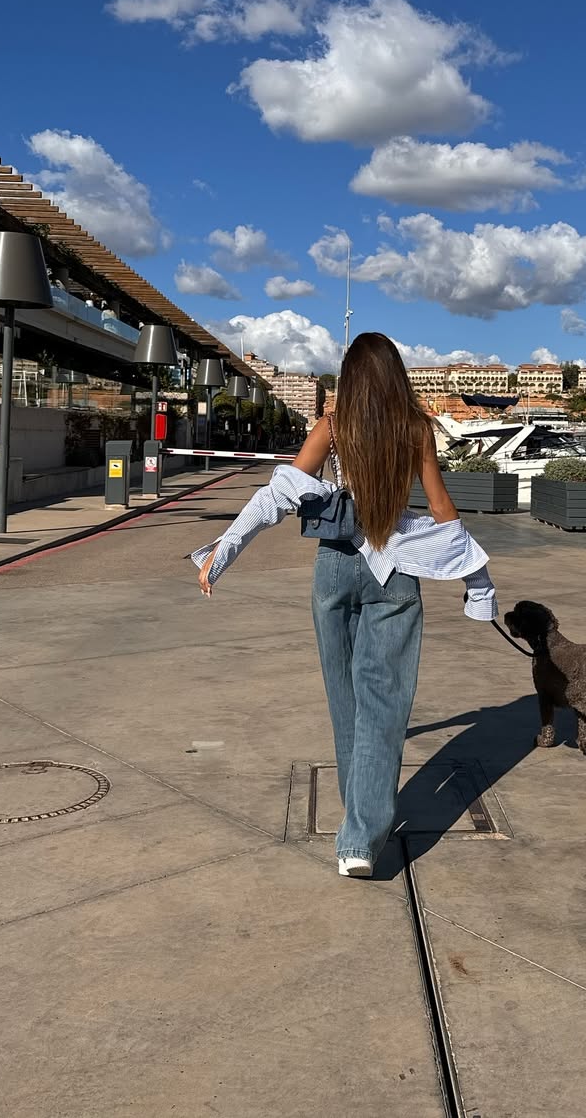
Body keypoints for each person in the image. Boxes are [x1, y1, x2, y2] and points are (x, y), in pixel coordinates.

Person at [192, 332, 496, 879]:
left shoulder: (332, 429)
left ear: (351, 379)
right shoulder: (415, 429)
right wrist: (479, 584)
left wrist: (224, 550)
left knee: (345, 699)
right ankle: (360, 834)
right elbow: (442, 509)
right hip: (395, 570)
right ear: (396, 376)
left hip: (334, 567)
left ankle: (357, 827)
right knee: (383, 704)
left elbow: (277, 496)